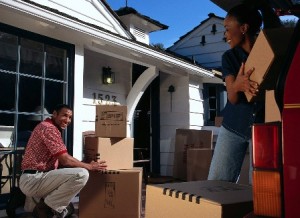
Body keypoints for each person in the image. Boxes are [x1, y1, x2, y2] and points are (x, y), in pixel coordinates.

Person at [207, 2, 282, 184]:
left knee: (259, 186)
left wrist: (264, 5)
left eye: (227, 28)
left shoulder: (267, 51)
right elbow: (232, 99)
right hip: (233, 127)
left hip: (263, 128)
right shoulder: (230, 57)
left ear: (243, 28)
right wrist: (237, 86)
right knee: (217, 183)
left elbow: (277, 30)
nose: (224, 35)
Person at [19, 104, 107, 218]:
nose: (67, 120)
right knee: (81, 174)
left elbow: (63, 161)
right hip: (34, 180)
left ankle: (48, 209)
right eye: (64, 115)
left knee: (68, 208)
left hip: (37, 178)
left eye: (70, 117)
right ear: (54, 114)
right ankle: (43, 210)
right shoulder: (49, 128)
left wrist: (83, 163)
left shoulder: (46, 127)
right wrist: (89, 166)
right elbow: (65, 160)